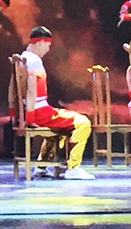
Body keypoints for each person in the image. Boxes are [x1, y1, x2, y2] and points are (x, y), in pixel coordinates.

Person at [18, 26, 94, 179]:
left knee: (62, 120)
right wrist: (30, 118)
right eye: (47, 45)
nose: (48, 50)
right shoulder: (34, 61)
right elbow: (32, 90)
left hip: (32, 110)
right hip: (38, 112)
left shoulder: (22, 58)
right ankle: (73, 167)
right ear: (40, 42)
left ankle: (42, 165)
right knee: (83, 122)